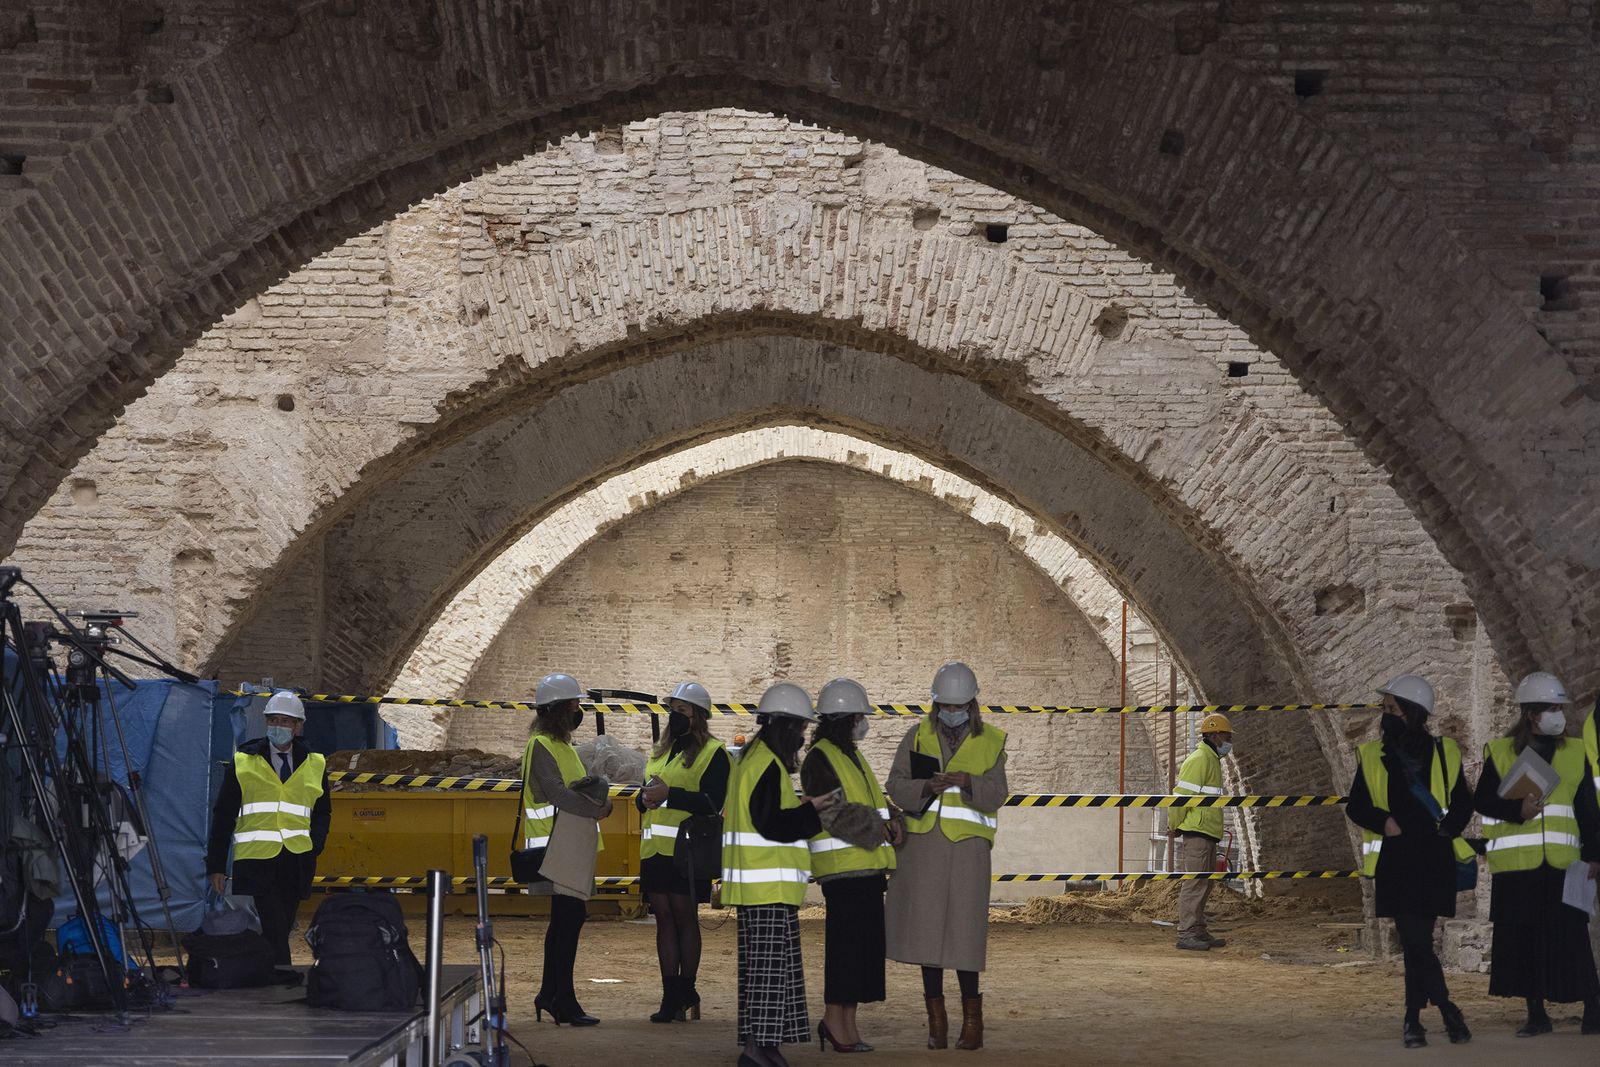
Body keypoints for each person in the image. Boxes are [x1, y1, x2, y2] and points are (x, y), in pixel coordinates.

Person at [1344, 674, 1476, 1048]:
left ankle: (1414, 1021)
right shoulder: (1372, 755)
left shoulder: (1445, 751)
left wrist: (1449, 829)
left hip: (1434, 858)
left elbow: (1463, 801)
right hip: (1398, 860)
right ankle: (1445, 1010)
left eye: (1391, 709)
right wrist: (1382, 821)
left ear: (1413, 713)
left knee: (1419, 942)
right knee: (1415, 940)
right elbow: (1357, 805)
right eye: (1385, 709)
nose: (1384, 715)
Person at [885, 661, 1008, 1052]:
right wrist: (927, 786)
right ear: (936, 705)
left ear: (972, 705)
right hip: (923, 850)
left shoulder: (991, 740)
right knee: (927, 934)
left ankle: (973, 1021)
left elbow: (997, 794)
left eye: (958, 706)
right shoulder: (916, 736)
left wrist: (970, 782)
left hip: (969, 850)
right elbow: (895, 785)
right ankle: (936, 1022)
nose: (951, 713)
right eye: (945, 706)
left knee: (965, 935)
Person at [1474, 671, 1600, 1038]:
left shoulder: (1576, 753)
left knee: (1572, 939)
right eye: (1550, 708)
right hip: (1517, 868)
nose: (1558, 715)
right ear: (1531, 714)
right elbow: (1481, 800)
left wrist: (1594, 855)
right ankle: (1536, 1014)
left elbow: (1588, 811)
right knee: (1524, 942)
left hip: (1563, 865)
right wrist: (1517, 811)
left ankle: (1592, 1008)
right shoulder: (1500, 752)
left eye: (1559, 707)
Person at [722, 682, 835, 1067]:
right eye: (800, 730)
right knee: (769, 977)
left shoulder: (753, 760)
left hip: (759, 888)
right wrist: (813, 811)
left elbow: (764, 816)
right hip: (766, 888)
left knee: (764, 975)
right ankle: (757, 1050)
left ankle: (764, 1047)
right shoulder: (766, 764)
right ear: (786, 727)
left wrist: (804, 805)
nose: (803, 738)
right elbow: (772, 824)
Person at [801, 677, 901, 1053]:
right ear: (843, 718)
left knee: (861, 952)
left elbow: (874, 801)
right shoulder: (821, 757)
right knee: (845, 952)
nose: (864, 721)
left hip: (868, 868)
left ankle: (848, 1026)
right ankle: (833, 1023)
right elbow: (832, 812)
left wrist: (895, 821)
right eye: (859, 715)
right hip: (843, 870)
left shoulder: (849, 754)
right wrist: (882, 828)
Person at [205, 690, 331, 967]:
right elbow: (224, 815)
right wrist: (216, 865)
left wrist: (316, 843)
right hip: (258, 859)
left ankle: (269, 972)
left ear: (299, 726)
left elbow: (322, 811)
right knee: (274, 921)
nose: (278, 727)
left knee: (282, 924)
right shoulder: (244, 761)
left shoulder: (315, 763)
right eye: (273, 720)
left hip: (297, 858)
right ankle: (282, 973)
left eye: (285, 721)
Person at [521, 671, 613, 1027]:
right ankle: (562, 1000)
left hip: (570, 845)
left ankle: (551, 995)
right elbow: (557, 794)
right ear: (558, 709)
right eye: (575, 705)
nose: (579, 711)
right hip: (556, 849)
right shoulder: (542, 746)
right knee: (568, 921)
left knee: (565, 922)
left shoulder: (561, 745)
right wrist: (598, 809)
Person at [636, 680, 730, 1024]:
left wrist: (668, 794)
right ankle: (669, 994)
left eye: (682, 710)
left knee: (684, 917)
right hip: (655, 849)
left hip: (688, 850)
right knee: (663, 919)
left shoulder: (714, 753)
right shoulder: (661, 750)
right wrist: (643, 798)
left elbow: (711, 802)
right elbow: (647, 786)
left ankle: (686, 989)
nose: (674, 716)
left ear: (698, 716)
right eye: (672, 709)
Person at [1168, 712, 1232, 951]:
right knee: (1195, 883)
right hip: (1197, 831)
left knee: (1204, 883)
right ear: (1215, 735)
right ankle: (1186, 932)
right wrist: (1173, 825)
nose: (1229, 742)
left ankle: (1198, 929)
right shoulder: (1199, 760)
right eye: (1226, 736)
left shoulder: (1211, 759)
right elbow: (1181, 798)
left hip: (1206, 831)